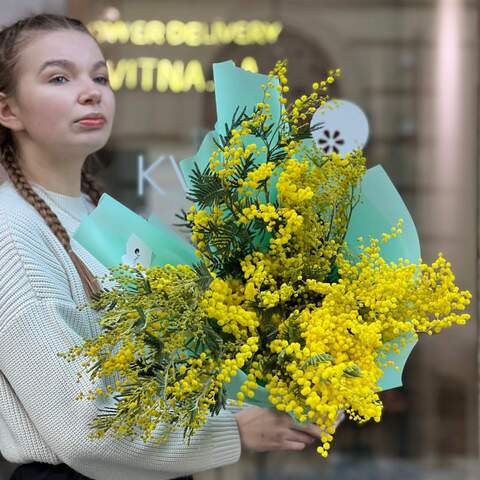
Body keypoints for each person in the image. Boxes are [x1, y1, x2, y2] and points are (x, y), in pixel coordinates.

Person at [0, 14, 328, 480]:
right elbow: (80, 427)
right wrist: (236, 432)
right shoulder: (12, 231)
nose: (91, 92)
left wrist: (287, 397)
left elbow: (168, 370)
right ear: (8, 110)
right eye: (58, 77)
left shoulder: (97, 214)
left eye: (99, 77)